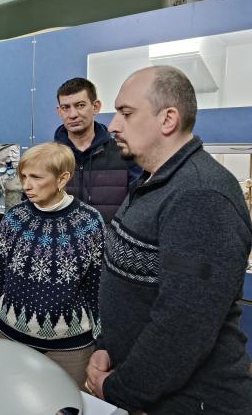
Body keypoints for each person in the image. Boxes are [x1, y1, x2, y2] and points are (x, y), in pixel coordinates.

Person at [85, 66, 252, 414]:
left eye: (126, 113)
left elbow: (183, 324)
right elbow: (133, 288)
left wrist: (121, 388)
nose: (113, 125)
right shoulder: (153, 182)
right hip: (141, 385)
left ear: (168, 119)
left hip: (191, 402)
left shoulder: (200, 194)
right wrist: (106, 346)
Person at [0, 142, 105, 388]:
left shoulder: (89, 222)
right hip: (11, 338)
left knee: (66, 402)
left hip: (70, 349)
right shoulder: (14, 218)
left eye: (36, 177)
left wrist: (102, 342)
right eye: (24, 176)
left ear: (62, 179)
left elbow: (98, 286)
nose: (26, 185)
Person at [54, 77, 141, 223]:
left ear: (95, 107)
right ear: (59, 112)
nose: (73, 114)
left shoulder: (125, 153)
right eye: (65, 107)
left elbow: (140, 204)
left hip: (113, 237)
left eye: (80, 105)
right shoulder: (47, 158)